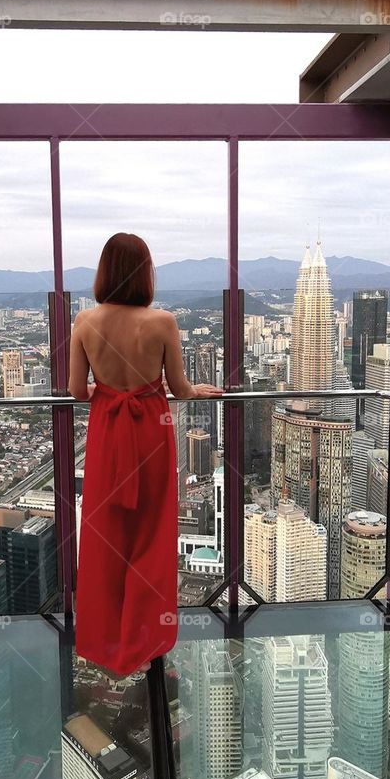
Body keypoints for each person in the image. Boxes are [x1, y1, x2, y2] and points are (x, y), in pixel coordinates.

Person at [68, 232, 223, 675]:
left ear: (104, 271)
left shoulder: (84, 323)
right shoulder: (163, 323)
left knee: (106, 536)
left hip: (107, 435)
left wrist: (106, 389)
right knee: (151, 536)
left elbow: (77, 391)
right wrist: (199, 390)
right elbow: (180, 389)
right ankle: (147, 634)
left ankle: (106, 635)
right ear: (145, 273)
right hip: (152, 435)